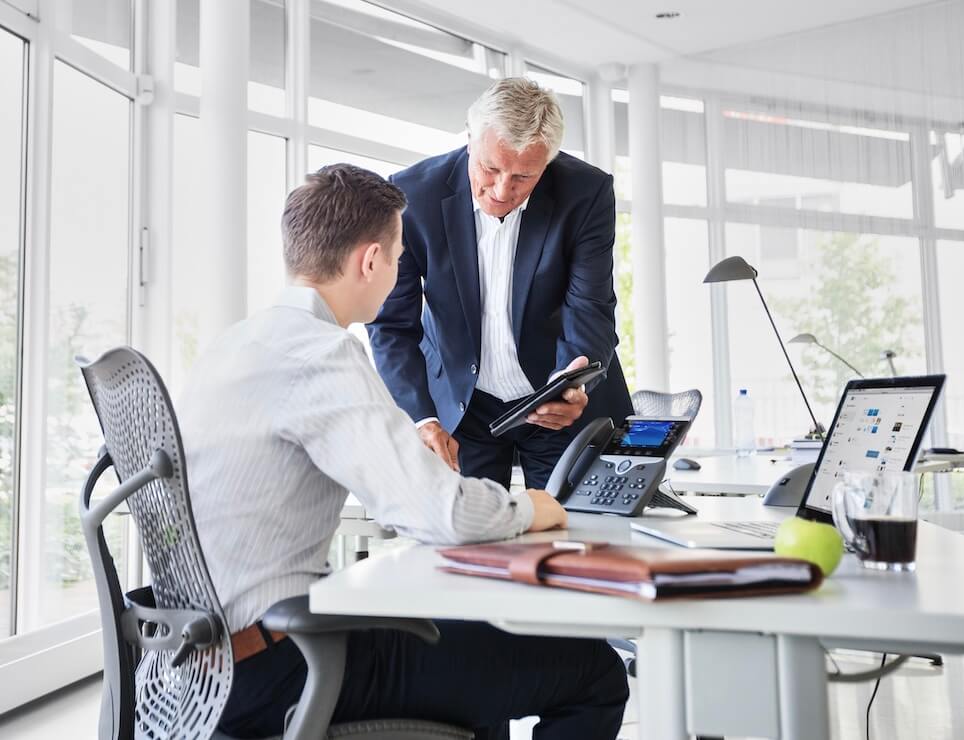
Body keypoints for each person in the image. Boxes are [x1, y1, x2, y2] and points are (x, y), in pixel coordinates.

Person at [178, 164, 628, 740]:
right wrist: (536, 508)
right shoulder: (320, 354)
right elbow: (439, 513)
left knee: (475, 654)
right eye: (396, 257)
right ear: (371, 261)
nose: (398, 273)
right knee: (594, 672)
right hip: (281, 667)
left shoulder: (236, 344)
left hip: (199, 665)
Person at [368, 77, 633, 491]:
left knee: (583, 539)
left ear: (547, 163)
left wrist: (572, 384)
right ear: (470, 141)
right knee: (471, 542)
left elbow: (590, 307)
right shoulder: (411, 196)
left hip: (560, 405)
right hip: (463, 409)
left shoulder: (587, 193)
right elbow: (392, 325)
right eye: (489, 168)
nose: (502, 190)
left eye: (524, 177)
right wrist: (421, 417)